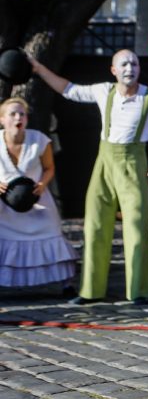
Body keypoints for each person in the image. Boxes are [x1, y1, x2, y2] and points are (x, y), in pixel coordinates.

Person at [30, 50, 148, 305]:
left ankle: (138, 290)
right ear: (114, 70)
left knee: (137, 227)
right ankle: (90, 291)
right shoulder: (104, 91)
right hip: (105, 161)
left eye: (134, 63)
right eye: (124, 64)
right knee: (95, 224)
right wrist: (39, 69)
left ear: (139, 69)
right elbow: (68, 89)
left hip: (133, 161)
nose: (130, 68)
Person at [0, 97, 78, 292]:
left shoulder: (39, 139)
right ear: (2, 119)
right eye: (13, 114)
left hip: (36, 198)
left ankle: (65, 283)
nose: (18, 117)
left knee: (50, 229)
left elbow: (49, 167)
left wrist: (43, 184)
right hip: (5, 204)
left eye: (22, 114)